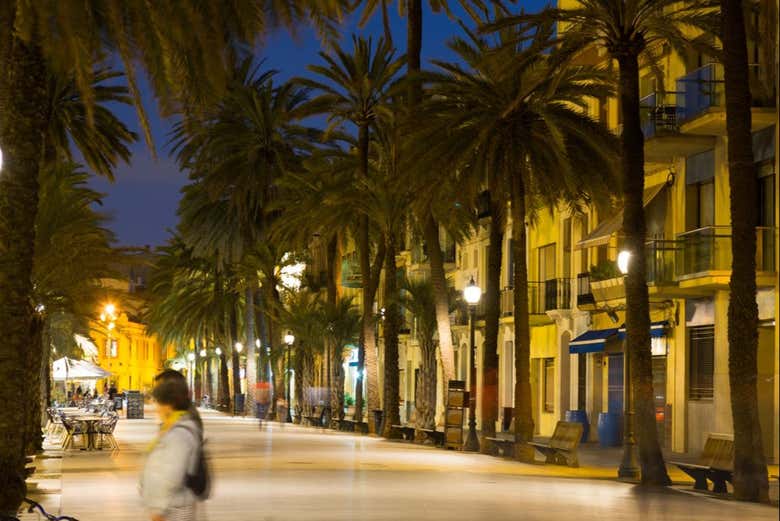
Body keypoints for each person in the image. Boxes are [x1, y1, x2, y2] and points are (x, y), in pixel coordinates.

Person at [140, 371, 201, 521]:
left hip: (174, 507)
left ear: (169, 403)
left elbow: (172, 473)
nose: (156, 407)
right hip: (172, 504)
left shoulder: (179, 432)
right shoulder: (173, 425)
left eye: (158, 402)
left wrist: (159, 509)